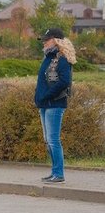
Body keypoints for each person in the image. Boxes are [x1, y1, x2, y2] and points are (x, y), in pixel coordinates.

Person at [34, 27, 75, 184]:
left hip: (55, 105)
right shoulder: (48, 58)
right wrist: (38, 96)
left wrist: (46, 95)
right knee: (48, 139)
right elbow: (43, 81)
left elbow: (64, 81)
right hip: (44, 105)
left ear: (56, 40)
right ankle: (54, 172)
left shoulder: (62, 59)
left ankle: (58, 174)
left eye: (47, 39)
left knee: (53, 140)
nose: (44, 42)